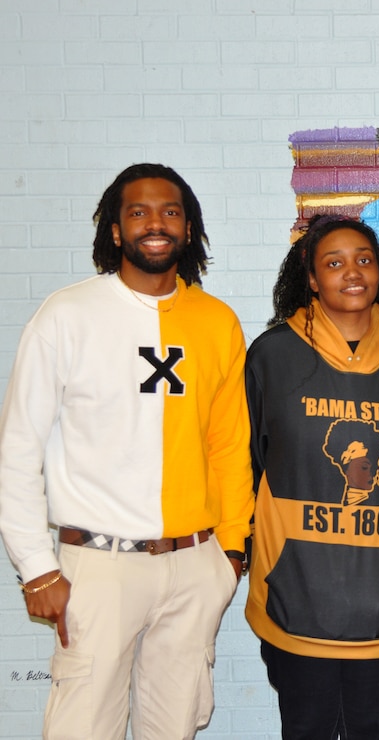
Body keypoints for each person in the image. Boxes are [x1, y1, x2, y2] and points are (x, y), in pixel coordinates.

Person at [0, 163, 253, 739]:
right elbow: (17, 451)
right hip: (97, 567)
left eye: (170, 212)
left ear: (189, 228)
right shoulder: (65, 315)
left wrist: (230, 554)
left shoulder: (217, 323)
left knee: (176, 728)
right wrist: (37, 569)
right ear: (115, 230)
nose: (155, 223)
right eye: (138, 212)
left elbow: (229, 445)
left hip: (195, 565)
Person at [244, 215, 379, 739]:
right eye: (333, 263)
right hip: (297, 594)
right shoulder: (272, 355)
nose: (351, 272)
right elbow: (253, 461)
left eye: (364, 260)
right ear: (310, 278)